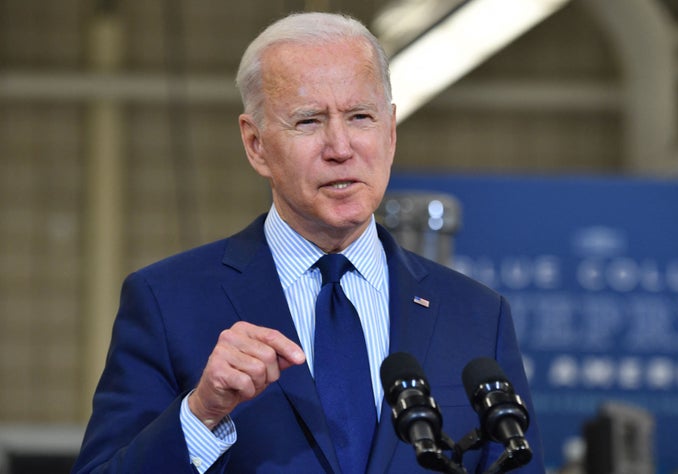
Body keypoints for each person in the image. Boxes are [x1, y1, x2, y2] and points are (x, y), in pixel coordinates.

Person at [72, 11, 545, 474]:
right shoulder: (168, 302)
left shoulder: (478, 317)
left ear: (391, 132)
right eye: (309, 122)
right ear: (255, 144)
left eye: (361, 116)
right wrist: (201, 413)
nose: (340, 147)